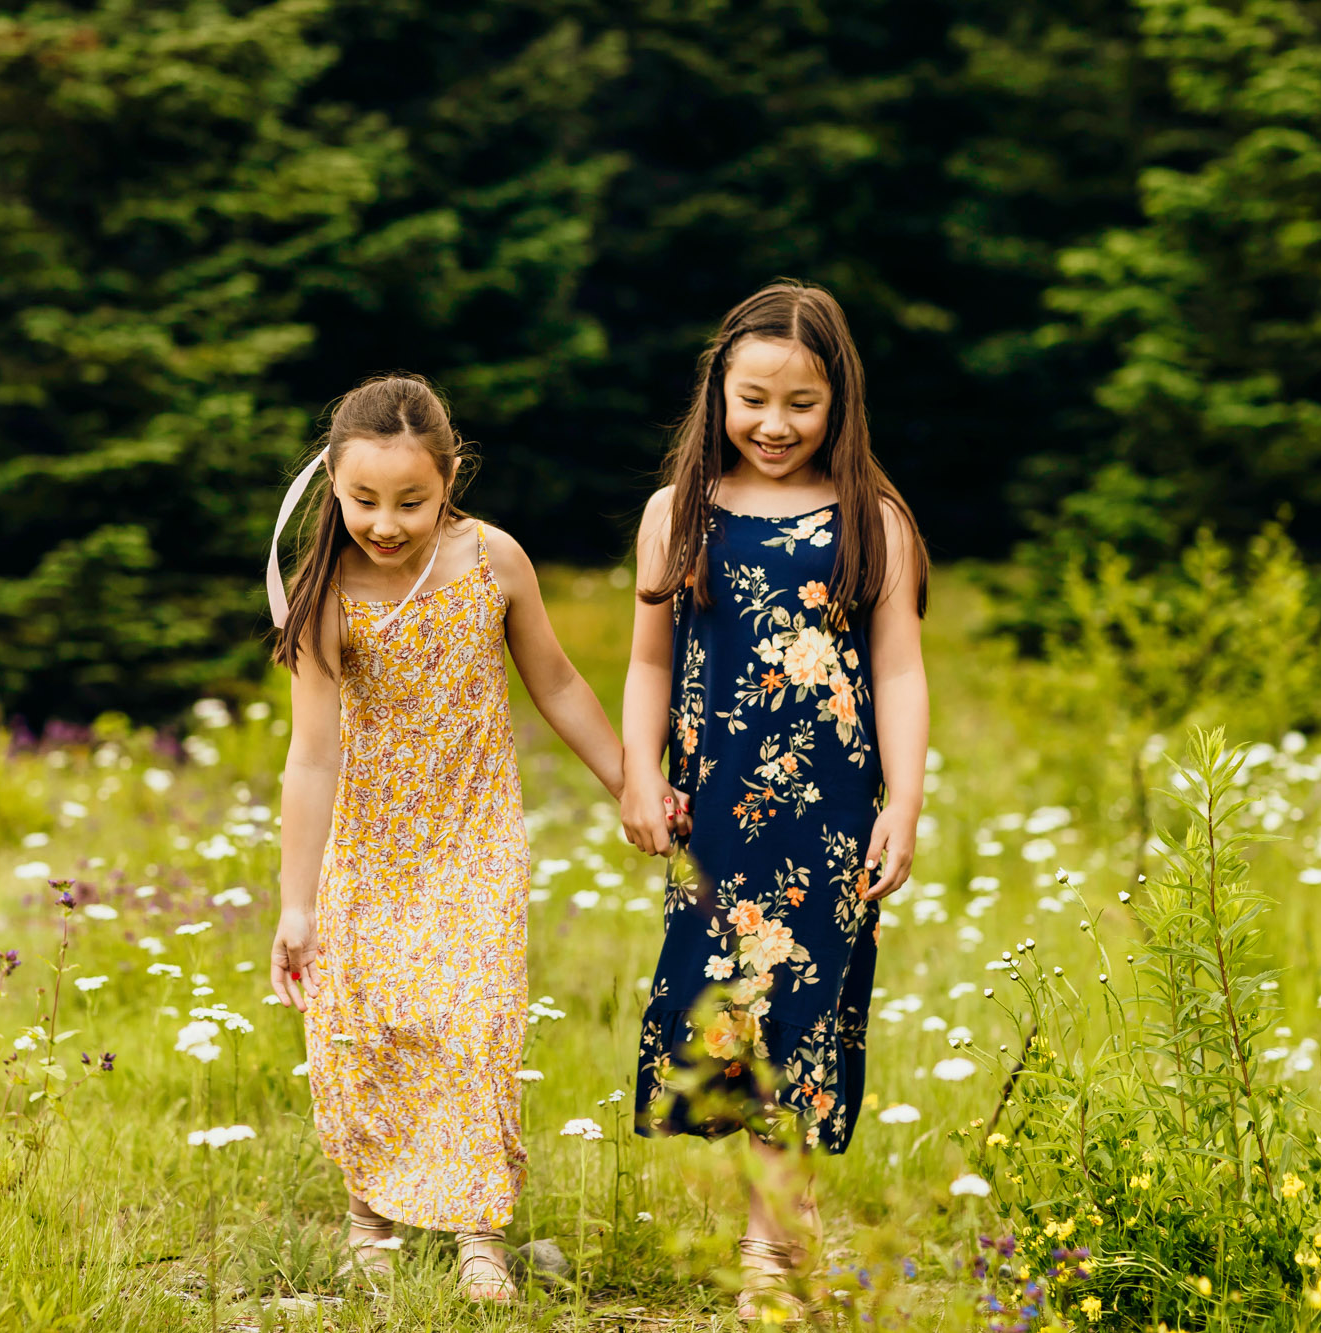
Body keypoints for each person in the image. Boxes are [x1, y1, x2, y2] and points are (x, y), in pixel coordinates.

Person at [265, 374, 625, 1302]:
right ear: (334, 487)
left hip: (475, 836)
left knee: (475, 1023)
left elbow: (559, 684)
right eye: (364, 501)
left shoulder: (492, 560)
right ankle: (369, 1221)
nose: (386, 523)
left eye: (410, 501)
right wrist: (295, 903)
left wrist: (633, 779)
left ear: (450, 477)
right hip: (371, 846)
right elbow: (311, 758)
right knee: (366, 1025)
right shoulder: (326, 594)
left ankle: (479, 1232)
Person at [618, 281, 930, 1321]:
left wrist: (905, 802)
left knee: (802, 1015)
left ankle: (770, 1244)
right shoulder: (679, 513)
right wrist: (635, 768)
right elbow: (646, 662)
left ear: (837, 404)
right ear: (717, 394)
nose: (773, 424)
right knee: (724, 1016)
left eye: (800, 402)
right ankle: (767, 1232)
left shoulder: (871, 520)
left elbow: (897, 673)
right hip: (713, 812)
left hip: (829, 816)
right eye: (752, 398)